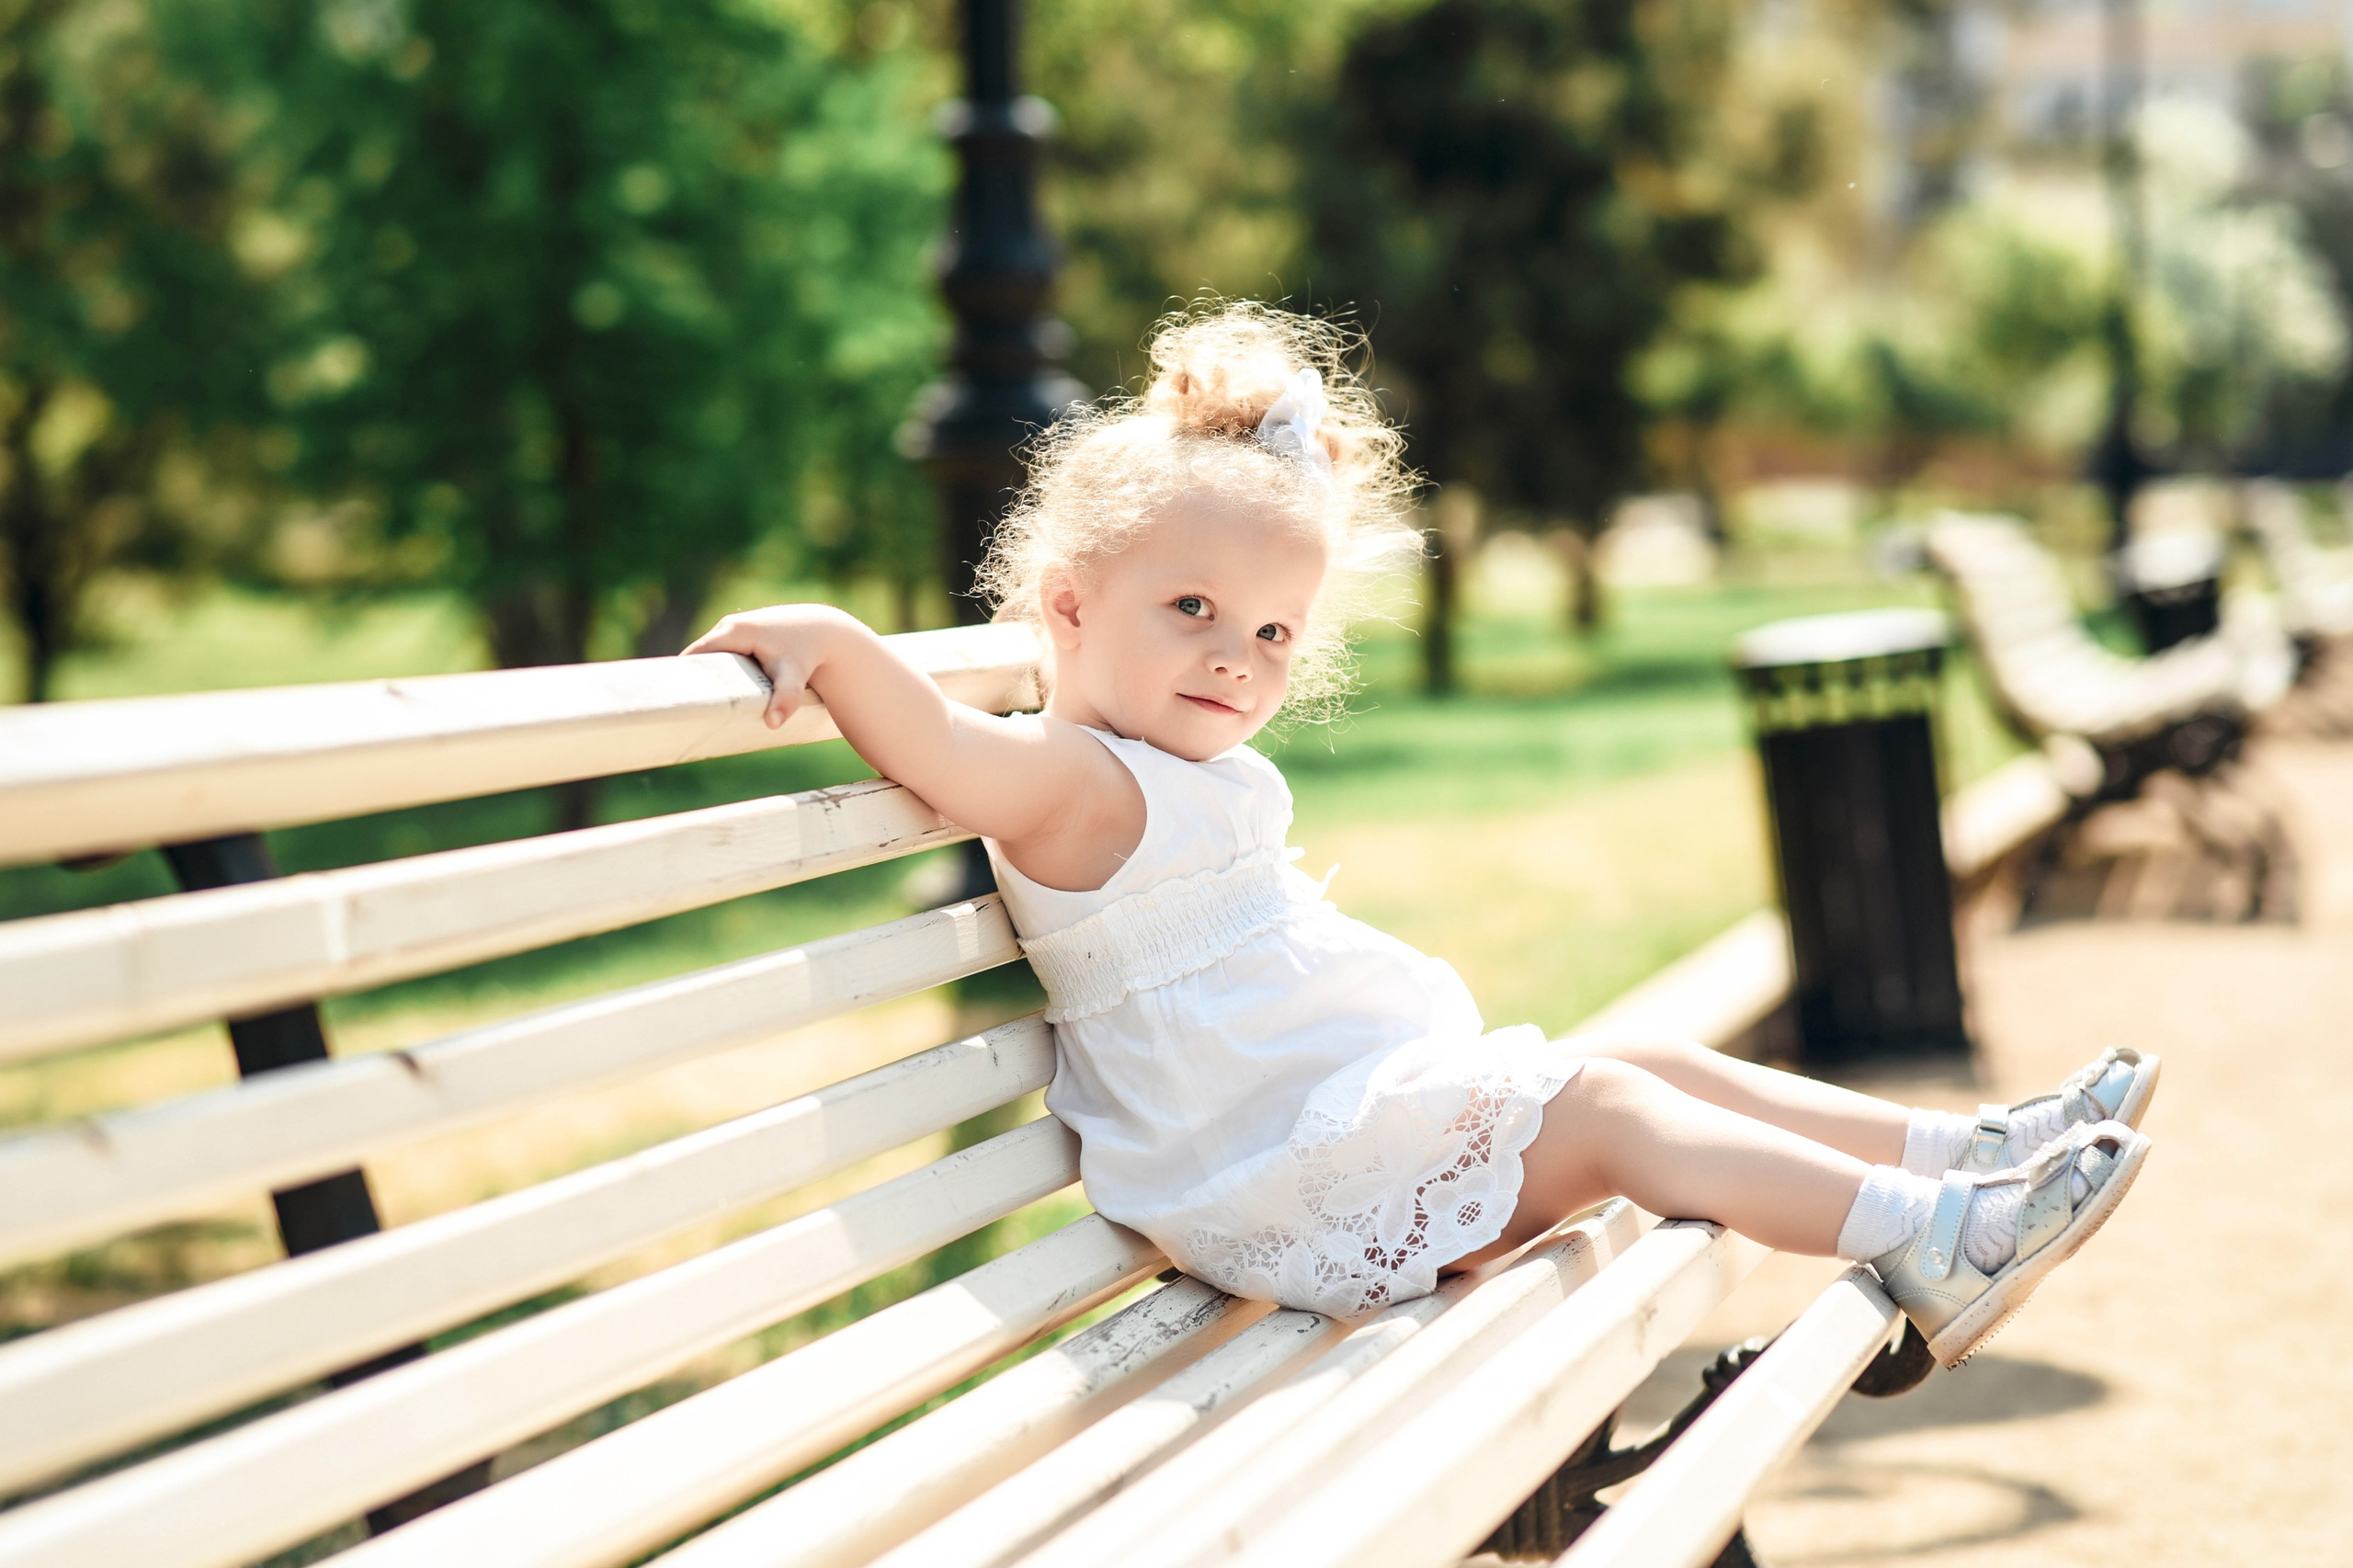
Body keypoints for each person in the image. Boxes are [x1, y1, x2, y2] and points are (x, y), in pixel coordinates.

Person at [687, 301, 2155, 1368]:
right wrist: (836, 640)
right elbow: (951, 752)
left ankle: (1968, 1149)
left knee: (1641, 1064)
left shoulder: (1159, 763)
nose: (1236, 657)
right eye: (1191, 610)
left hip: (1320, 1130)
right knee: (1610, 1107)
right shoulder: (1074, 780)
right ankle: (1929, 1235)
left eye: (1273, 631)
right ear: (1067, 602)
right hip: (1278, 1172)